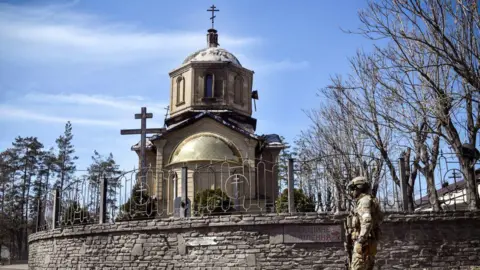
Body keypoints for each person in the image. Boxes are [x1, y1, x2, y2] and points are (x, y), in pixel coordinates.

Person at [345, 176, 383, 270]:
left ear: (358, 188)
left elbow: (367, 221)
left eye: (352, 189)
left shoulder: (364, 201)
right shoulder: (369, 200)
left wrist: (361, 239)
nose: (351, 192)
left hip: (364, 244)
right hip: (368, 243)